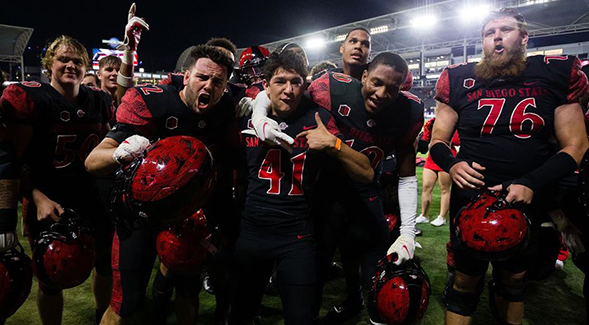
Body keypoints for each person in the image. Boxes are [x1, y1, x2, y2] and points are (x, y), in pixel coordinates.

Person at [430, 8, 589, 325]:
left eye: (505, 30)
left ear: (525, 37)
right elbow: (438, 140)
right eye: (489, 33)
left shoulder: (555, 73)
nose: (497, 37)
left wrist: (531, 182)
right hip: (470, 197)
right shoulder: (458, 78)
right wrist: (453, 163)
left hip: (525, 198)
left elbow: (577, 145)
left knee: (514, 281)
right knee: (463, 283)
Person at [250, 52, 423, 324]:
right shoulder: (331, 87)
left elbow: (407, 175)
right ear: (363, 76)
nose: (381, 93)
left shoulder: (409, 110)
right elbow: (278, 93)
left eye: (392, 88)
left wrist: (408, 233)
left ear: (402, 88)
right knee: (310, 284)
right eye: (376, 82)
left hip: (367, 198)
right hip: (324, 198)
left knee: (381, 283)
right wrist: (259, 116)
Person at [85, 42, 235, 325]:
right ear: (186, 76)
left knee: (189, 293)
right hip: (141, 215)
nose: (209, 86)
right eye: (202, 77)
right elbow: (92, 161)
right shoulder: (154, 102)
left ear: (226, 85)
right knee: (125, 303)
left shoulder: (226, 107)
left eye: (218, 81)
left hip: (190, 218)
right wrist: (121, 153)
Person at [229, 49, 372, 325]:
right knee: (240, 315)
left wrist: (334, 144)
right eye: (280, 82)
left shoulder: (318, 117)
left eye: (296, 82)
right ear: (266, 84)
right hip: (252, 231)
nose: (289, 90)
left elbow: (366, 172)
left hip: (296, 236)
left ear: (304, 84)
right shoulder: (246, 111)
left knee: (301, 317)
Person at [0, 35, 113, 325]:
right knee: (51, 275)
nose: (70, 65)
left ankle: (102, 316)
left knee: (105, 263)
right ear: (50, 63)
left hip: (90, 196)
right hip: (49, 199)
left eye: (77, 61)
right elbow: (12, 162)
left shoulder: (99, 100)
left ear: (86, 67)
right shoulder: (33, 100)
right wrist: (36, 196)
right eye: (63, 59)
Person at [416, 117, 460, 227]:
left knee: (444, 189)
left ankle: (442, 217)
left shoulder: (454, 123)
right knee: (426, 186)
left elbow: (456, 141)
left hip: (447, 157)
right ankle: (424, 215)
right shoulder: (432, 122)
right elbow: (426, 139)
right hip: (432, 157)